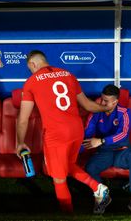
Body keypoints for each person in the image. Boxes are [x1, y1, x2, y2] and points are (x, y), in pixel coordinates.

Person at [16, 50, 112, 213]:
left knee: (59, 178)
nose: (30, 71)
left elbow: (23, 119)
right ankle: (98, 189)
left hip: (56, 134)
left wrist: (20, 142)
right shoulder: (68, 75)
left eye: (30, 68)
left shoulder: (31, 82)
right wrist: (106, 108)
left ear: (33, 64)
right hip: (76, 130)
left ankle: (67, 214)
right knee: (67, 166)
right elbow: (88, 105)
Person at [82, 84, 131, 215]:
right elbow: (87, 135)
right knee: (90, 168)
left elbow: (123, 134)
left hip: (122, 151)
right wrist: (73, 152)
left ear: (115, 102)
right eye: (101, 99)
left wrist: (102, 140)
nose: (102, 102)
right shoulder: (96, 112)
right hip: (104, 152)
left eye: (106, 101)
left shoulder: (124, 112)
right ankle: (103, 196)